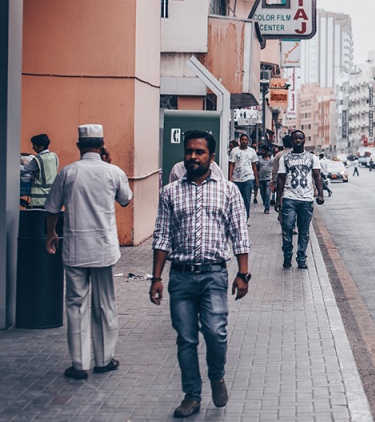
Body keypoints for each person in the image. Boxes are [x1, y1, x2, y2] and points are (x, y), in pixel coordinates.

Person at [150, 130, 250, 418]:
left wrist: (243, 273)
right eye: (189, 151)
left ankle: (216, 376)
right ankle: (192, 396)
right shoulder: (170, 191)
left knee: (216, 334)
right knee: (186, 339)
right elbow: (162, 236)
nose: (193, 157)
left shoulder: (228, 190)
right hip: (180, 277)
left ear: (212, 156)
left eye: (200, 152)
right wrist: (156, 278)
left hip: (214, 276)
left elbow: (239, 233)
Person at [44, 124, 132, 380]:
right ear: (102, 145)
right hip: (103, 248)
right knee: (105, 304)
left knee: (75, 304)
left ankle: (80, 364)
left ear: (78, 146)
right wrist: (110, 163)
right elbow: (126, 199)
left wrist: (51, 234)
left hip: (75, 247)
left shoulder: (67, 173)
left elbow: (52, 209)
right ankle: (104, 360)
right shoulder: (113, 172)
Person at [275, 130, 325, 269]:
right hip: (289, 198)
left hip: (306, 199)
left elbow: (317, 177)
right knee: (288, 228)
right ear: (291, 141)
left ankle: (301, 258)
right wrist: (278, 199)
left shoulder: (312, 158)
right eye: (295, 139)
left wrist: (320, 194)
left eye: (300, 138)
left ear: (304, 140)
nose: (298, 141)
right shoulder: (285, 158)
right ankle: (287, 256)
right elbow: (281, 179)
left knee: (304, 230)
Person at [22, 133, 59, 209]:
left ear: (40, 147)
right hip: (52, 195)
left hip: (39, 199)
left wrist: (10, 166)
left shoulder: (38, 159)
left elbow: (23, 169)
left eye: (34, 146)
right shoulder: (54, 156)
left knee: (38, 218)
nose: (32, 148)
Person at [228, 134, 258, 218]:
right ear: (240, 141)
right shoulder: (234, 151)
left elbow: (254, 166)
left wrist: (256, 180)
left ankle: (245, 218)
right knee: (237, 200)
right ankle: (237, 217)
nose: (244, 141)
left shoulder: (252, 151)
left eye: (245, 139)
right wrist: (230, 177)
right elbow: (231, 164)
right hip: (236, 179)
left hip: (248, 178)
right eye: (242, 139)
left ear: (248, 141)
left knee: (246, 200)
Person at [256, 145, 273, 214]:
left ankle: (267, 208)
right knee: (262, 193)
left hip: (269, 178)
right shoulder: (259, 159)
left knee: (267, 193)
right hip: (261, 178)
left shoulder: (272, 159)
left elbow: (274, 168)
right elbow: (257, 168)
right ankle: (265, 203)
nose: (262, 152)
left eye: (263, 150)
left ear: (267, 151)